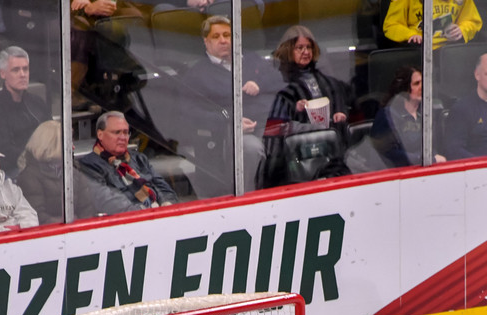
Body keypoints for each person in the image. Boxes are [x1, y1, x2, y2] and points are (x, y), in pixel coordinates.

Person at [179, 15, 275, 194]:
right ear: (206, 41)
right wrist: (231, 122)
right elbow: (190, 113)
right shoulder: (196, 75)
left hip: (268, 123)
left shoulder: (250, 60)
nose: (223, 41)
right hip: (226, 136)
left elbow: (277, 79)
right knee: (250, 148)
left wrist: (259, 83)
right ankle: (246, 199)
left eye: (227, 35)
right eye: (216, 37)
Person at [261, 26, 354, 188]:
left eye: (308, 47)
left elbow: (341, 101)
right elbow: (274, 127)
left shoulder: (328, 81)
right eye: (299, 48)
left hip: (329, 147)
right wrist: (294, 110)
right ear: (289, 49)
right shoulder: (278, 81)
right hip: (296, 155)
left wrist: (340, 113)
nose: (305, 52)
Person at [16, 120, 126, 224]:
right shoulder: (29, 177)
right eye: (68, 142)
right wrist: (66, 224)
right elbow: (37, 218)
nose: (73, 147)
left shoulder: (73, 172)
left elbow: (86, 209)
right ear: (51, 145)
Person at [0, 46, 51, 176]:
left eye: (25, 69)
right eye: (16, 70)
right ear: (3, 74)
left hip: (44, 164)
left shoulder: (37, 103)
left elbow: (52, 134)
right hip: (15, 170)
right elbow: (4, 151)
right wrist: (36, 157)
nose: (22, 74)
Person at [77, 110, 178, 212]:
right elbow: (107, 202)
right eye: (116, 132)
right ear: (100, 135)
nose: (123, 138)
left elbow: (164, 189)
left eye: (125, 132)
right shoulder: (89, 165)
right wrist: (145, 211)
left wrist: (167, 203)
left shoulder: (139, 159)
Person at [371, 66, 447, 168]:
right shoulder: (388, 115)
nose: (422, 87)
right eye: (417, 83)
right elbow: (388, 153)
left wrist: (434, 156)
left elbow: (432, 144)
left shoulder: (427, 112)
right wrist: (423, 159)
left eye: (423, 82)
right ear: (404, 88)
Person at [383, 0, 483, 50]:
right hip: (418, 50)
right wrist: (410, 35)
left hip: (450, 49)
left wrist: (463, 29)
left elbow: (473, 21)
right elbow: (391, 25)